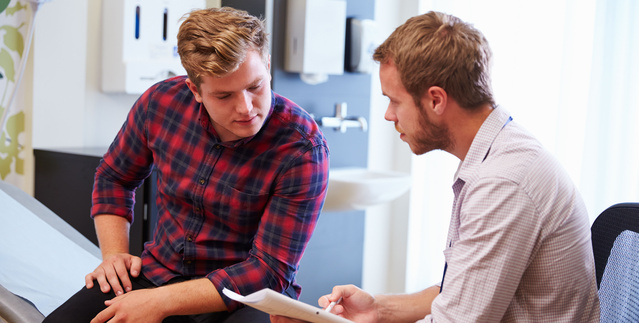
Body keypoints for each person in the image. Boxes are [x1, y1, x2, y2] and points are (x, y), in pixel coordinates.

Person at [272, 10, 599, 323]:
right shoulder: (499, 153)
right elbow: (461, 294)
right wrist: (376, 310)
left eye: (394, 100)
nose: (389, 115)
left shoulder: (502, 182)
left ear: (436, 100)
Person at [44, 7, 329, 323]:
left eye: (255, 86)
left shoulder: (302, 148)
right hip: (156, 273)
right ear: (194, 89)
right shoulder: (161, 103)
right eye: (224, 95)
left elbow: (268, 271)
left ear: (268, 67)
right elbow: (114, 177)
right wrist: (114, 257)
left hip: (244, 300)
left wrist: (160, 303)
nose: (246, 107)